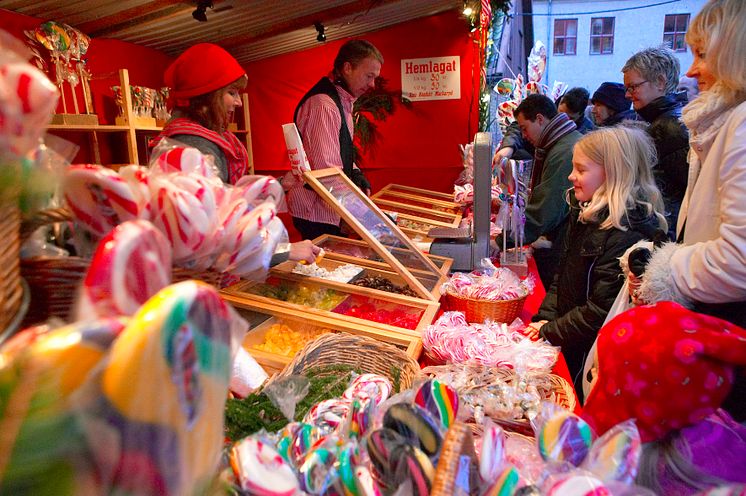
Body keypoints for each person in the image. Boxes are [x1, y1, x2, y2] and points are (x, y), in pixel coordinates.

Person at [625, 0, 746, 419]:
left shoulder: (741, 125)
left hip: (725, 334)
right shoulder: (718, 124)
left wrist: (667, 267)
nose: (691, 71)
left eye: (701, 54)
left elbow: (738, 260)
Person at [525, 125, 666, 397]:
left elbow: (600, 310)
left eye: (580, 169)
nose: (571, 176)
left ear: (611, 174)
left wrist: (551, 331)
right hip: (570, 340)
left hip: (593, 357)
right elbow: (562, 276)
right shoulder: (586, 214)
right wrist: (543, 321)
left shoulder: (628, 232)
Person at [154, 43, 320, 264]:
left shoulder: (203, 138)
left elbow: (229, 201)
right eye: (231, 93)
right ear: (206, 97)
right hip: (206, 280)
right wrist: (284, 251)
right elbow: (210, 237)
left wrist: (283, 184)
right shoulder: (194, 146)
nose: (239, 102)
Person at [582, 302, 746, 495]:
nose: (591, 376)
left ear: (639, 399)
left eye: (600, 373)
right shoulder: (687, 412)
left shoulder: (666, 484)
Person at [286, 39, 382, 240]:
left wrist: (357, 175)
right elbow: (326, 171)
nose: (372, 84)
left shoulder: (344, 101)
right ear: (347, 68)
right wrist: (363, 216)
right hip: (317, 214)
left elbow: (341, 153)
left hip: (330, 209)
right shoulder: (324, 105)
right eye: (369, 76)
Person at [507, 94, 581, 288]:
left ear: (540, 119)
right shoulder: (560, 142)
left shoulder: (564, 151)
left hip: (565, 244)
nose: (524, 136)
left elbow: (547, 206)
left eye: (525, 128)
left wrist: (504, 240)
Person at [623, 46, 690, 239]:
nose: (628, 94)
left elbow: (686, 190)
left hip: (667, 229)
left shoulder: (669, 128)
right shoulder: (664, 122)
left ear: (660, 82)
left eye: (633, 87)